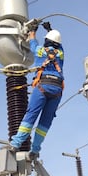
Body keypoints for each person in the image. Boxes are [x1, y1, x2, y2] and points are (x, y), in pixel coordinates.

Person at [10, 22, 64, 159]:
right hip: (57, 90)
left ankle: (15, 144)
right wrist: (50, 29)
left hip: (43, 85)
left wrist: (33, 31)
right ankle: (35, 150)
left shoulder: (40, 50)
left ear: (46, 40)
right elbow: (59, 44)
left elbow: (32, 42)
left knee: (31, 115)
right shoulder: (61, 54)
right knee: (45, 121)